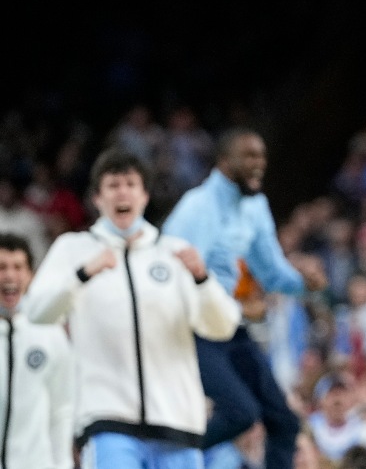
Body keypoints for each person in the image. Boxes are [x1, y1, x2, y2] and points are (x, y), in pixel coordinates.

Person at [21, 147, 241, 468]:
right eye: (112, 185)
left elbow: (223, 326)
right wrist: (82, 275)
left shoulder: (174, 252)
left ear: (144, 196)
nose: (122, 192)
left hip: (177, 422)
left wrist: (202, 280)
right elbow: (37, 311)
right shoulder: (74, 249)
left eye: (130, 184)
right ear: (97, 198)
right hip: (106, 420)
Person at [161, 126, 328, 469]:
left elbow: (271, 272)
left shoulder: (254, 206)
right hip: (192, 328)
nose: (259, 163)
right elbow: (165, 273)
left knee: (284, 421)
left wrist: (304, 282)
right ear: (225, 161)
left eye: (262, 155)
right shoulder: (197, 208)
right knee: (240, 413)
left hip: (229, 325)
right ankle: (163, 454)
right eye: (249, 155)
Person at [0, 232, 74, 469]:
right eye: (1, 267)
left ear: (30, 275)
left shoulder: (49, 332)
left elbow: (62, 408)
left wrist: (62, 464)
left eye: (18, 267)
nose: (10, 275)